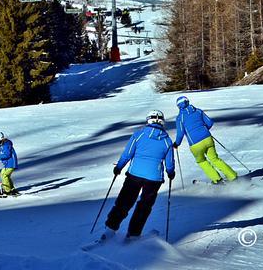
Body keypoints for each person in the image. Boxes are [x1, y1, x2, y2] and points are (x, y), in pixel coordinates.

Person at [101, 110, 174, 243]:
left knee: (124, 201)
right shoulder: (167, 141)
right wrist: (171, 172)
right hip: (154, 179)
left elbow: (127, 154)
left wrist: (119, 167)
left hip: (134, 175)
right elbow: (169, 163)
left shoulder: (138, 135)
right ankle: (133, 234)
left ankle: (110, 229)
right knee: (144, 206)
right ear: (162, 122)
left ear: (148, 120)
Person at [173, 96, 236, 183]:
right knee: (215, 159)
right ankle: (232, 176)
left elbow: (180, 134)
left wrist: (176, 144)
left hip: (195, 144)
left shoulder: (180, 118)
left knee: (201, 161)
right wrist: (204, 131)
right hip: (208, 138)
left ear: (178, 106)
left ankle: (217, 179)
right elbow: (209, 122)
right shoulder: (198, 111)